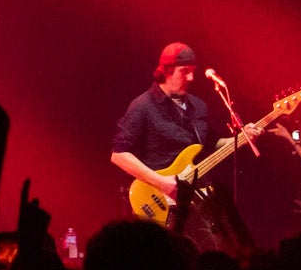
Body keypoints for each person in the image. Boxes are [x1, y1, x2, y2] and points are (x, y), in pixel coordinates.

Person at [110, 42, 260, 249]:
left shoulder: (197, 106)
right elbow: (118, 155)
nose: (191, 78)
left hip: (201, 196)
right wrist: (161, 183)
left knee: (228, 247)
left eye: (193, 72)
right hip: (165, 199)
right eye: (184, 72)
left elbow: (212, 143)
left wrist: (242, 138)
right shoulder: (142, 106)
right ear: (166, 72)